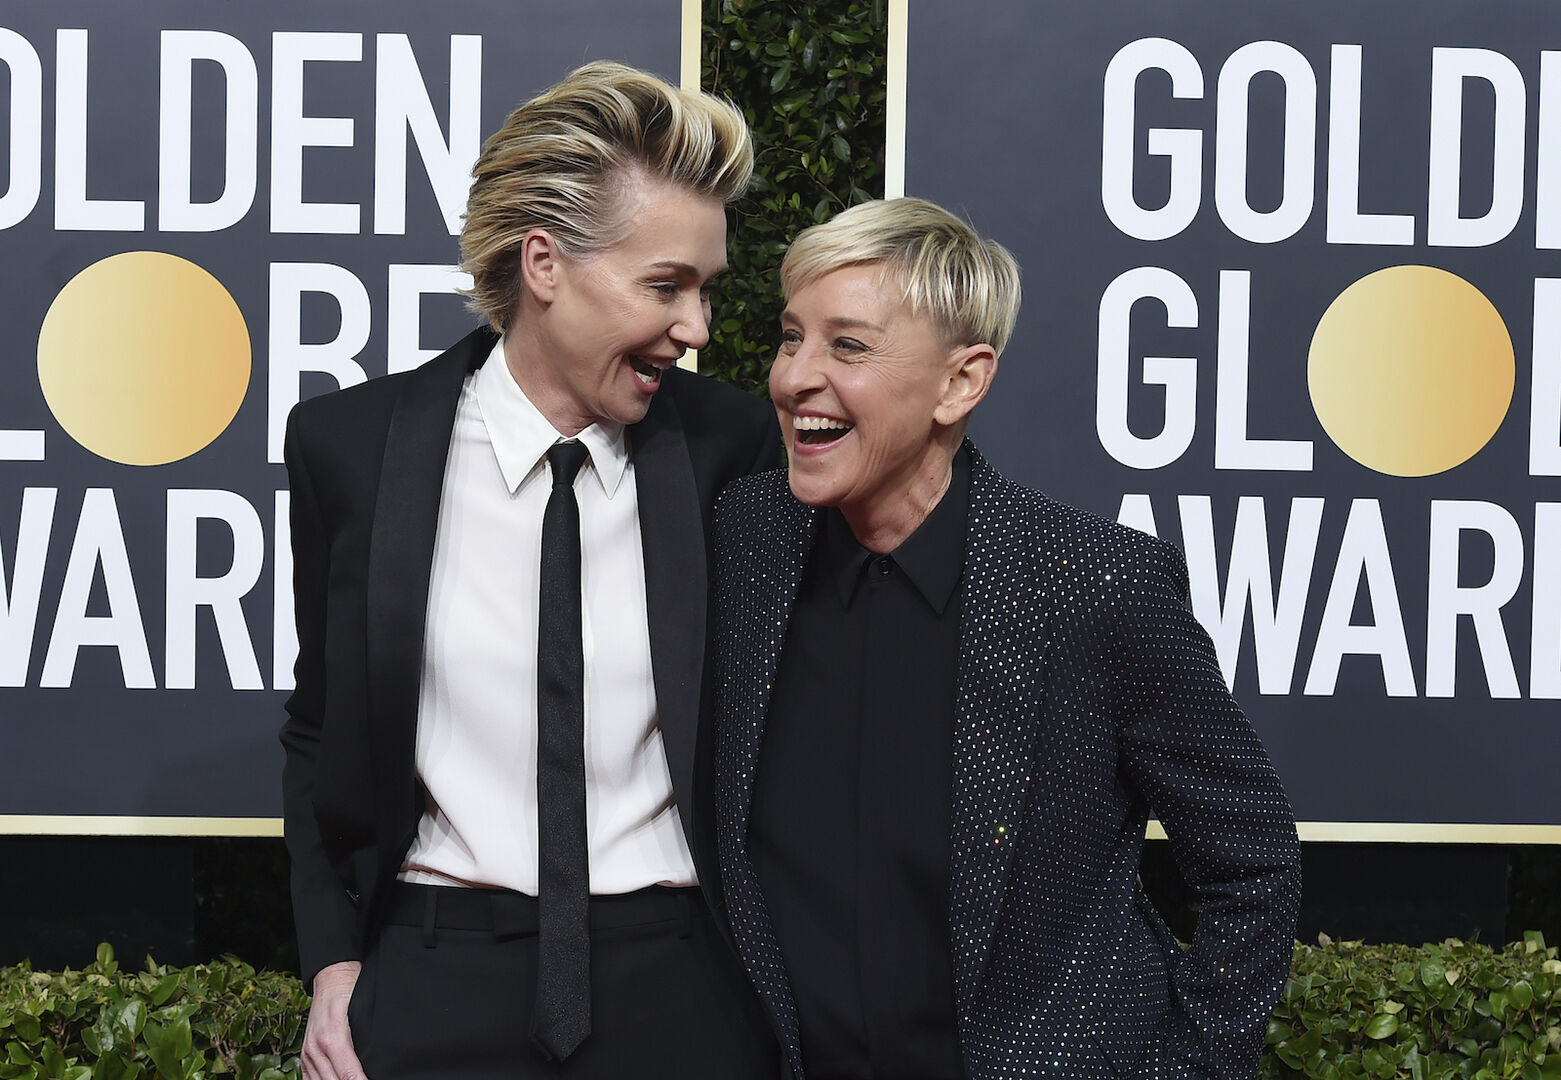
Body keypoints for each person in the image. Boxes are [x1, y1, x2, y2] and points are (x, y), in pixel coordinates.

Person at [711, 197, 1302, 1080]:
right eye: (791, 336)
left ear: (962, 381)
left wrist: (1190, 1069)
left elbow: (1252, 862)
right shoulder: (742, 541)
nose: (794, 378)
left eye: (848, 346)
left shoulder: (1096, 587)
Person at [281, 61, 781, 1079]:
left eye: (705, 289)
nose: (696, 328)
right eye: (664, 286)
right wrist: (333, 962)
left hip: (683, 981)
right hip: (434, 973)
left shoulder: (734, 449)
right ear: (544, 265)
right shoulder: (352, 446)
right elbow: (319, 726)